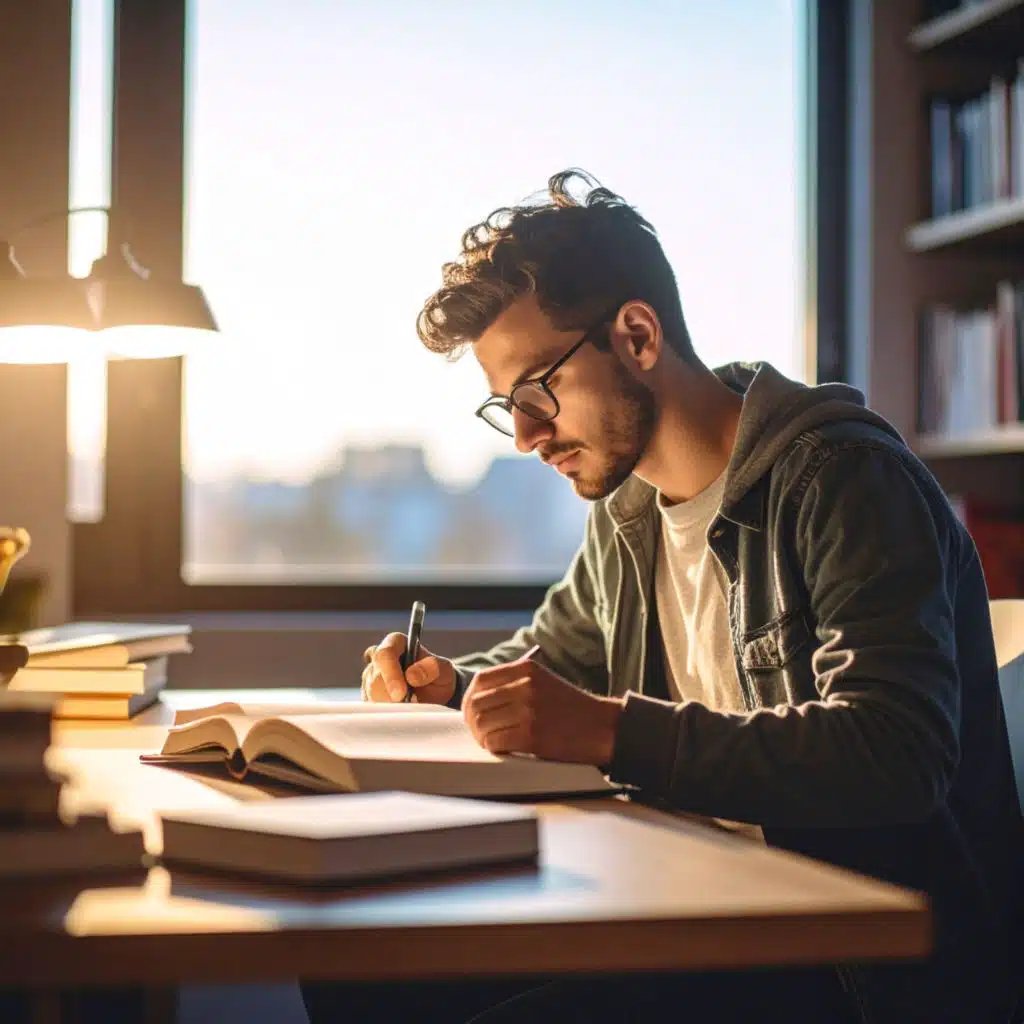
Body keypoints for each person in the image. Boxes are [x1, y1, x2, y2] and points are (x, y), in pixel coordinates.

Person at [301, 170, 1024, 1023]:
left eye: (538, 394)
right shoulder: (630, 507)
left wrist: (610, 728)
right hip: (692, 908)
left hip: (858, 966)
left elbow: (898, 753)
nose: (529, 437)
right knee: (351, 965)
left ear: (638, 336)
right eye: (508, 410)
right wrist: (450, 687)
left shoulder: (844, 479)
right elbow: (553, 662)